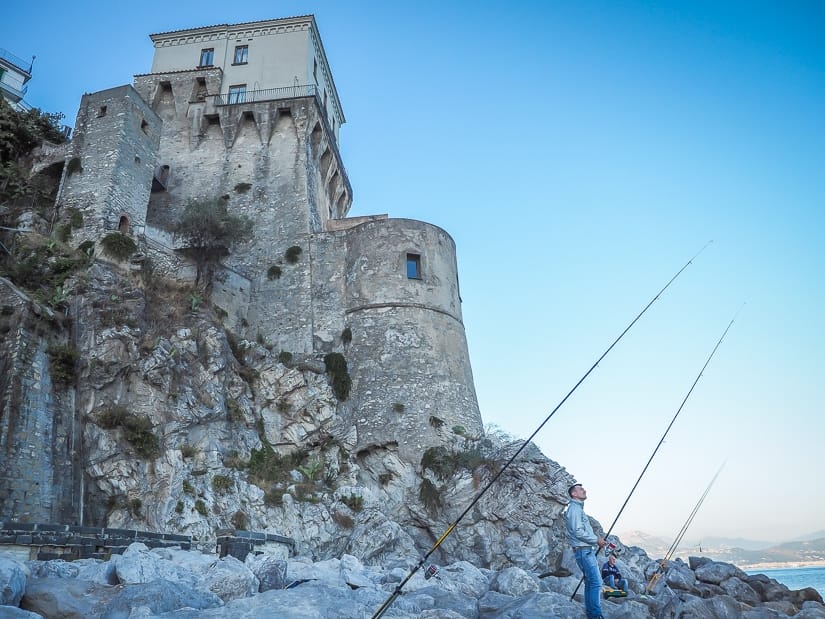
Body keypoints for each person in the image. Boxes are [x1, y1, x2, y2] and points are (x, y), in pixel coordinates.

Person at [566, 483, 606, 619]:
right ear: (574, 494)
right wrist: (596, 540)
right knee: (596, 583)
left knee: (590, 582)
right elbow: (578, 531)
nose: (584, 490)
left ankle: (592, 613)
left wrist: (595, 541)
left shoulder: (577, 509)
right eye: (581, 489)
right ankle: (596, 615)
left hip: (585, 550)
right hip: (584, 551)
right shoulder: (574, 509)